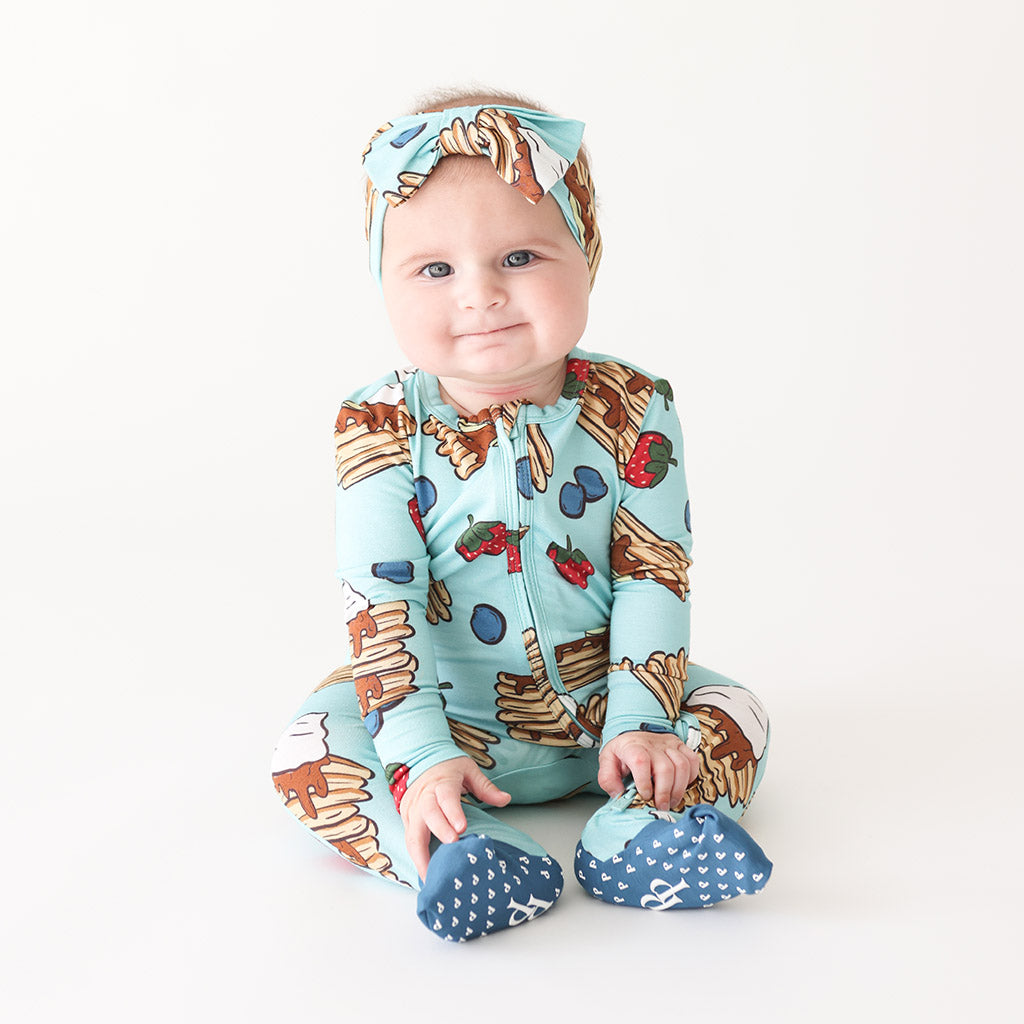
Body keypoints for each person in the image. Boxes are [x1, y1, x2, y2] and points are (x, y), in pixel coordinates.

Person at [272, 89, 772, 941]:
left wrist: (643, 723)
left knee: (736, 712)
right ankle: (459, 847)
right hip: (444, 715)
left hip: (608, 707)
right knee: (307, 751)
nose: (481, 295)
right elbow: (382, 599)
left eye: (519, 256)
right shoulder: (378, 425)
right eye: (436, 270)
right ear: (383, 280)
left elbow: (654, 572)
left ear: (586, 254)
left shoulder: (634, 407)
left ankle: (639, 829)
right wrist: (421, 755)